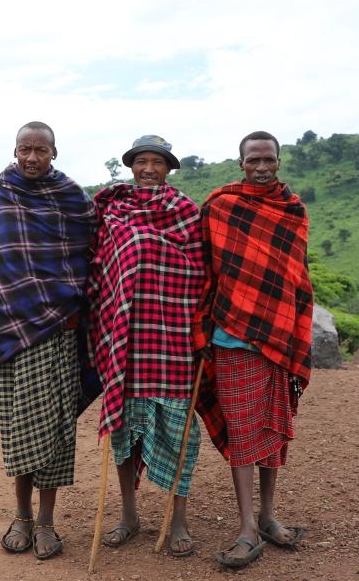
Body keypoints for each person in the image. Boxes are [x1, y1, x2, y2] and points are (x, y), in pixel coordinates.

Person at [0, 121, 95, 561]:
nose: (32, 157)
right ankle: (21, 515)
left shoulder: (71, 198)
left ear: (55, 153)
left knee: (56, 429)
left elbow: (95, 247)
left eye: (40, 150)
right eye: (24, 149)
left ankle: (48, 520)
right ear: (14, 152)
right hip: (15, 332)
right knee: (20, 430)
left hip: (62, 331)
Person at [194, 131, 313, 569]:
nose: (261, 167)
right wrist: (200, 326)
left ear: (279, 161)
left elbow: (296, 276)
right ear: (240, 163)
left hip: (279, 338)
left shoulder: (293, 210)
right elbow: (203, 266)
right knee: (244, 431)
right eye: (253, 160)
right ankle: (246, 525)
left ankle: (267, 516)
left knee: (272, 427)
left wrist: (295, 328)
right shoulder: (222, 206)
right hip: (231, 338)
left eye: (268, 160)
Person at [89, 135, 204, 557]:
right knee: (123, 429)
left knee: (179, 432)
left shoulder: (186, 211)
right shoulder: (113, 209)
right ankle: (128, 515)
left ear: (169, 168)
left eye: (157, 162)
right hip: (124, 337)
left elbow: (199, 270)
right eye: (142, 162)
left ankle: (178, 521)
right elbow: (100, 265)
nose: (149, 169)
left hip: (173, 339)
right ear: (131, 166)